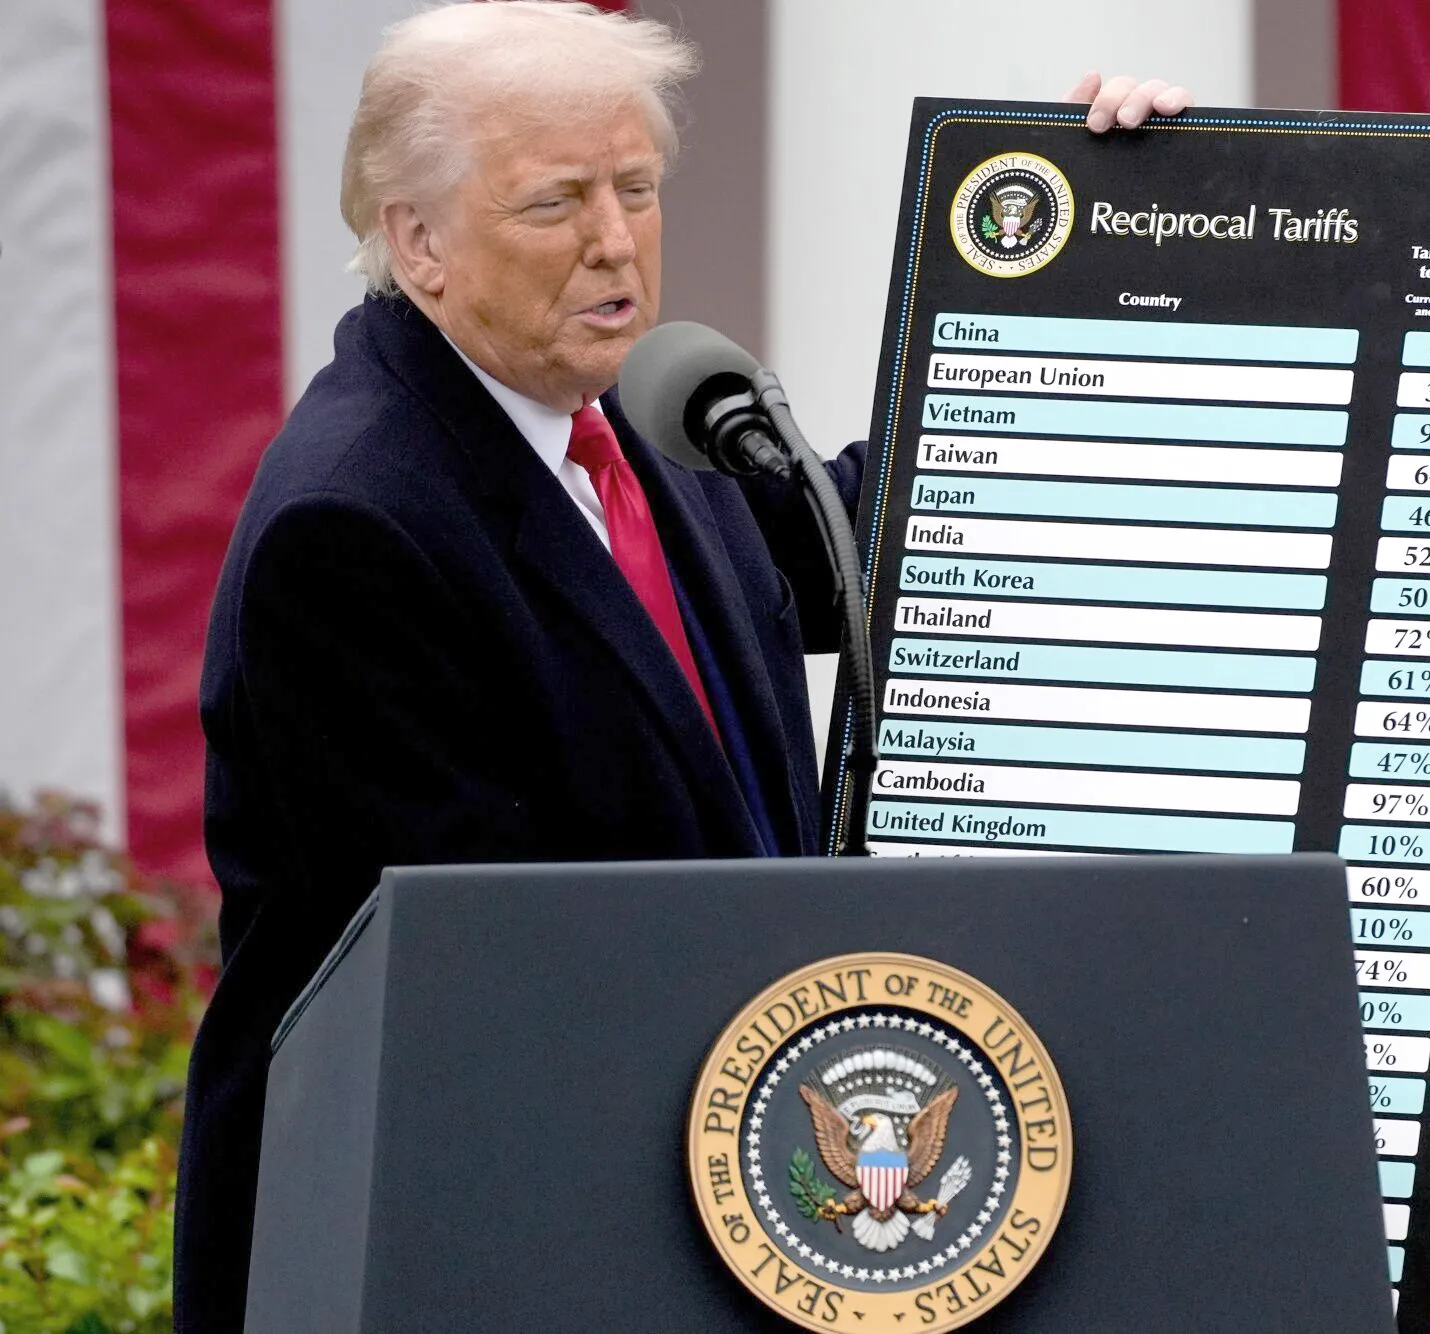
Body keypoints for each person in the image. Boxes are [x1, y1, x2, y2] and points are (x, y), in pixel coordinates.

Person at [174, 3, 1188, 1328]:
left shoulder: (634, 410)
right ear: (416, 240)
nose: (616, 241)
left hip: (681, 1200)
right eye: (556, 203)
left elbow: (867, 549)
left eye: (637, 188)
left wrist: (1107, 241)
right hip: (462, 1249)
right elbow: (498, 986)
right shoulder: (356, 524)